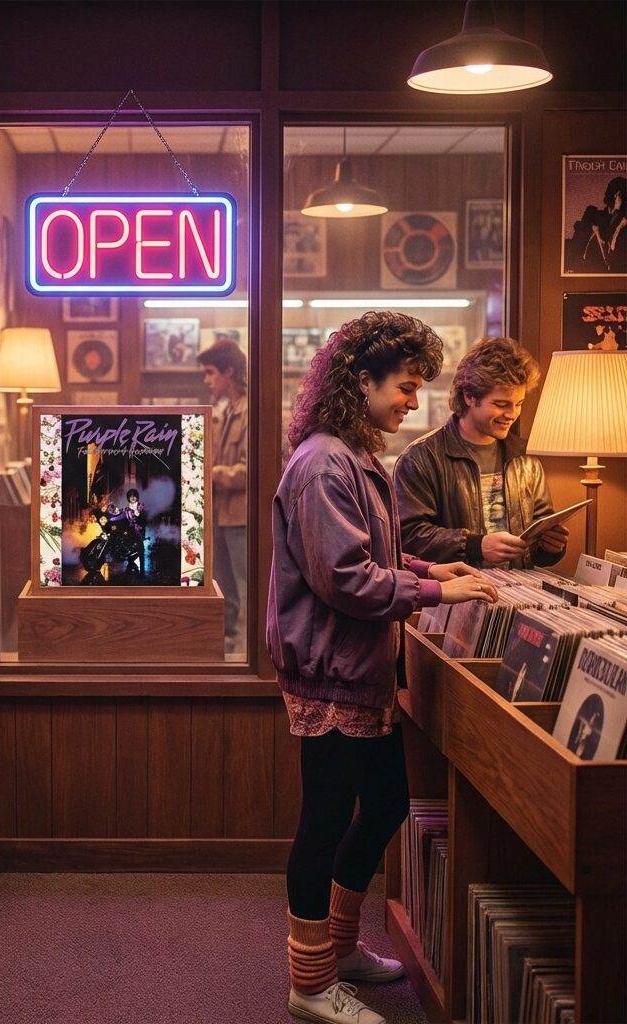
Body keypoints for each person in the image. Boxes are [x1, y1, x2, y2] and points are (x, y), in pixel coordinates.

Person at [266, 311, 496, 1024]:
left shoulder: (349, 454)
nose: (412, 402)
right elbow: (343, 577)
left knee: (388, 804)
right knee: (327, 821)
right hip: (332, 673)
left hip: (359, 671)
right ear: (359, 381)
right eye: (404, 385)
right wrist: (434, 589)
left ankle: (336, 950)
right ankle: (309, 984)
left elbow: (371, 554)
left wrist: (430, 563)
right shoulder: (324, 460)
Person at [394, 336, 568, 570]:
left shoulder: (525, 457)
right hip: (455, 595)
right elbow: (407, 537)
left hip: (517, 596)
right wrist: (475, 545)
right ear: (469, 396)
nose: (512, 414)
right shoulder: (421, 458)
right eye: (501, 404)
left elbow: (538, 539)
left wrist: (551, 548)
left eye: (518, 403)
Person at [198, 339, 247, 654]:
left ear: (229, 371)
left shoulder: (250, 412)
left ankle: (249, 648)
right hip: (221, 513)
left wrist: (209, 474)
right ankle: (229, 641)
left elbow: (250, 470)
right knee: (223, 584)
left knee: (246, 585)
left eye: (211, 372)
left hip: (242, 516)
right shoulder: (224, 412)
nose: (207, 380)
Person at [565, 176, 626, 274]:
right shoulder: (595, 215)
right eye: (618, 194)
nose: (618, 198)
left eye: (621, 195)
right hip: (593, 264)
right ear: (614, 194)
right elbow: (579, 232)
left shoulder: (621, 219)